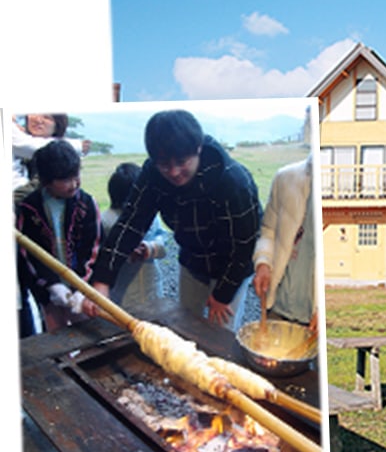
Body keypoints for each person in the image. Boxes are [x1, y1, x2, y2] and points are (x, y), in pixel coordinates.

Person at [92, 110, 262, 331]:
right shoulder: (152, 174)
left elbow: (244, 245)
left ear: (198, 148)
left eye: (182, 162)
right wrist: (102, 279)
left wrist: (222, 294)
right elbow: (130, 223)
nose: (173, 172)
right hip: (192, 259)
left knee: (221, 333)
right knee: (185, 324)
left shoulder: (233, 182)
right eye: (164, 164)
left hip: (232, 264)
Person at [16, 139, 102, 334]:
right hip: (49, 291)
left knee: (89, 334)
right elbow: (29, 254)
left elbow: (93, 248)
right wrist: (52, 285)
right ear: (46, 181)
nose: (74, 184)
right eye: (65, 180)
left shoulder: (86, 203)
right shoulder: (30, 208)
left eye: (76, 175)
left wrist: (82, 288)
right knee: (56, 335)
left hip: (81, 286)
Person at [252, 155, 318, 332]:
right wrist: (263, 263)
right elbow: (268, 230)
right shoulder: (285, 177)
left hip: (314, 321)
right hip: (278, 308)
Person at [100, 162, 169, 310]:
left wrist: (149, 248)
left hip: (151, 284)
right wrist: (125, 252)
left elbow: (163, 241)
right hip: (121, 290)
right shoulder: (106, 220)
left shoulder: (151, 216)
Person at [12, 113, 90, 205]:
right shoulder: (20, 144)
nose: (38, 120)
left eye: (47, 117)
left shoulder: (62, 157)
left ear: (58, 125)